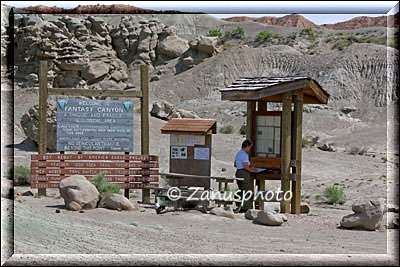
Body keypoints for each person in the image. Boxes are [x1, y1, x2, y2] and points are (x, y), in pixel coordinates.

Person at [234, 139, 258, 213]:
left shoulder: (238, 153)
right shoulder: (244, 155)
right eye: (249, 147)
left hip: (238, 172)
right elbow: (245, 166)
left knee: (241, 189)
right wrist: (252, 170)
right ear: (247, 146)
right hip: (244, 173)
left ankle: (239, 205)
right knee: (246, 190)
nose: (249, 149)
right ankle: (245, 207)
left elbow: (235, 164)